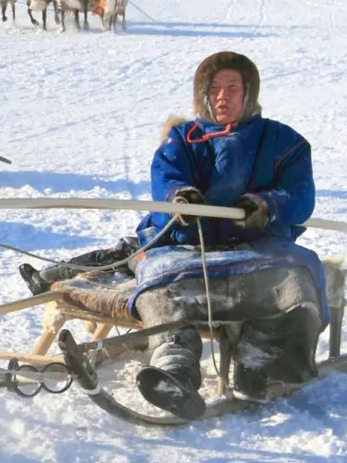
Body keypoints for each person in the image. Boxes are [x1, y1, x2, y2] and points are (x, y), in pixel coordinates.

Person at [126, 51, 321, 417]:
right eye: (213, 88)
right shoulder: (182, 139)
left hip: (258, 249)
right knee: (158, 280)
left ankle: (260, 363)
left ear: (249, 93)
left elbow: (300, 195)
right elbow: (165, 180)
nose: (222, 96)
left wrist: (267, 206)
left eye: (233, 87)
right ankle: (175, 369)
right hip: (186, 249)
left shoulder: (285, 142)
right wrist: (179, 200)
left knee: (296, 281)